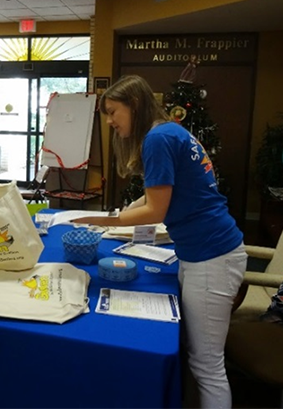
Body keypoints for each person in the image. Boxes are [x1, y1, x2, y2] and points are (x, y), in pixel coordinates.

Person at [73, 75, 247, 409]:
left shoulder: (157, 139)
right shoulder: (167, 131)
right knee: (199, 359)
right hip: (203, 251)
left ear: (134, 105)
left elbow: (156, 210)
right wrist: (122, 212)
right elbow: (153, 195)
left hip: (212, 255)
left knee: (207, 365)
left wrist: (104, 220)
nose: (109, 122)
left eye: (113, 112)